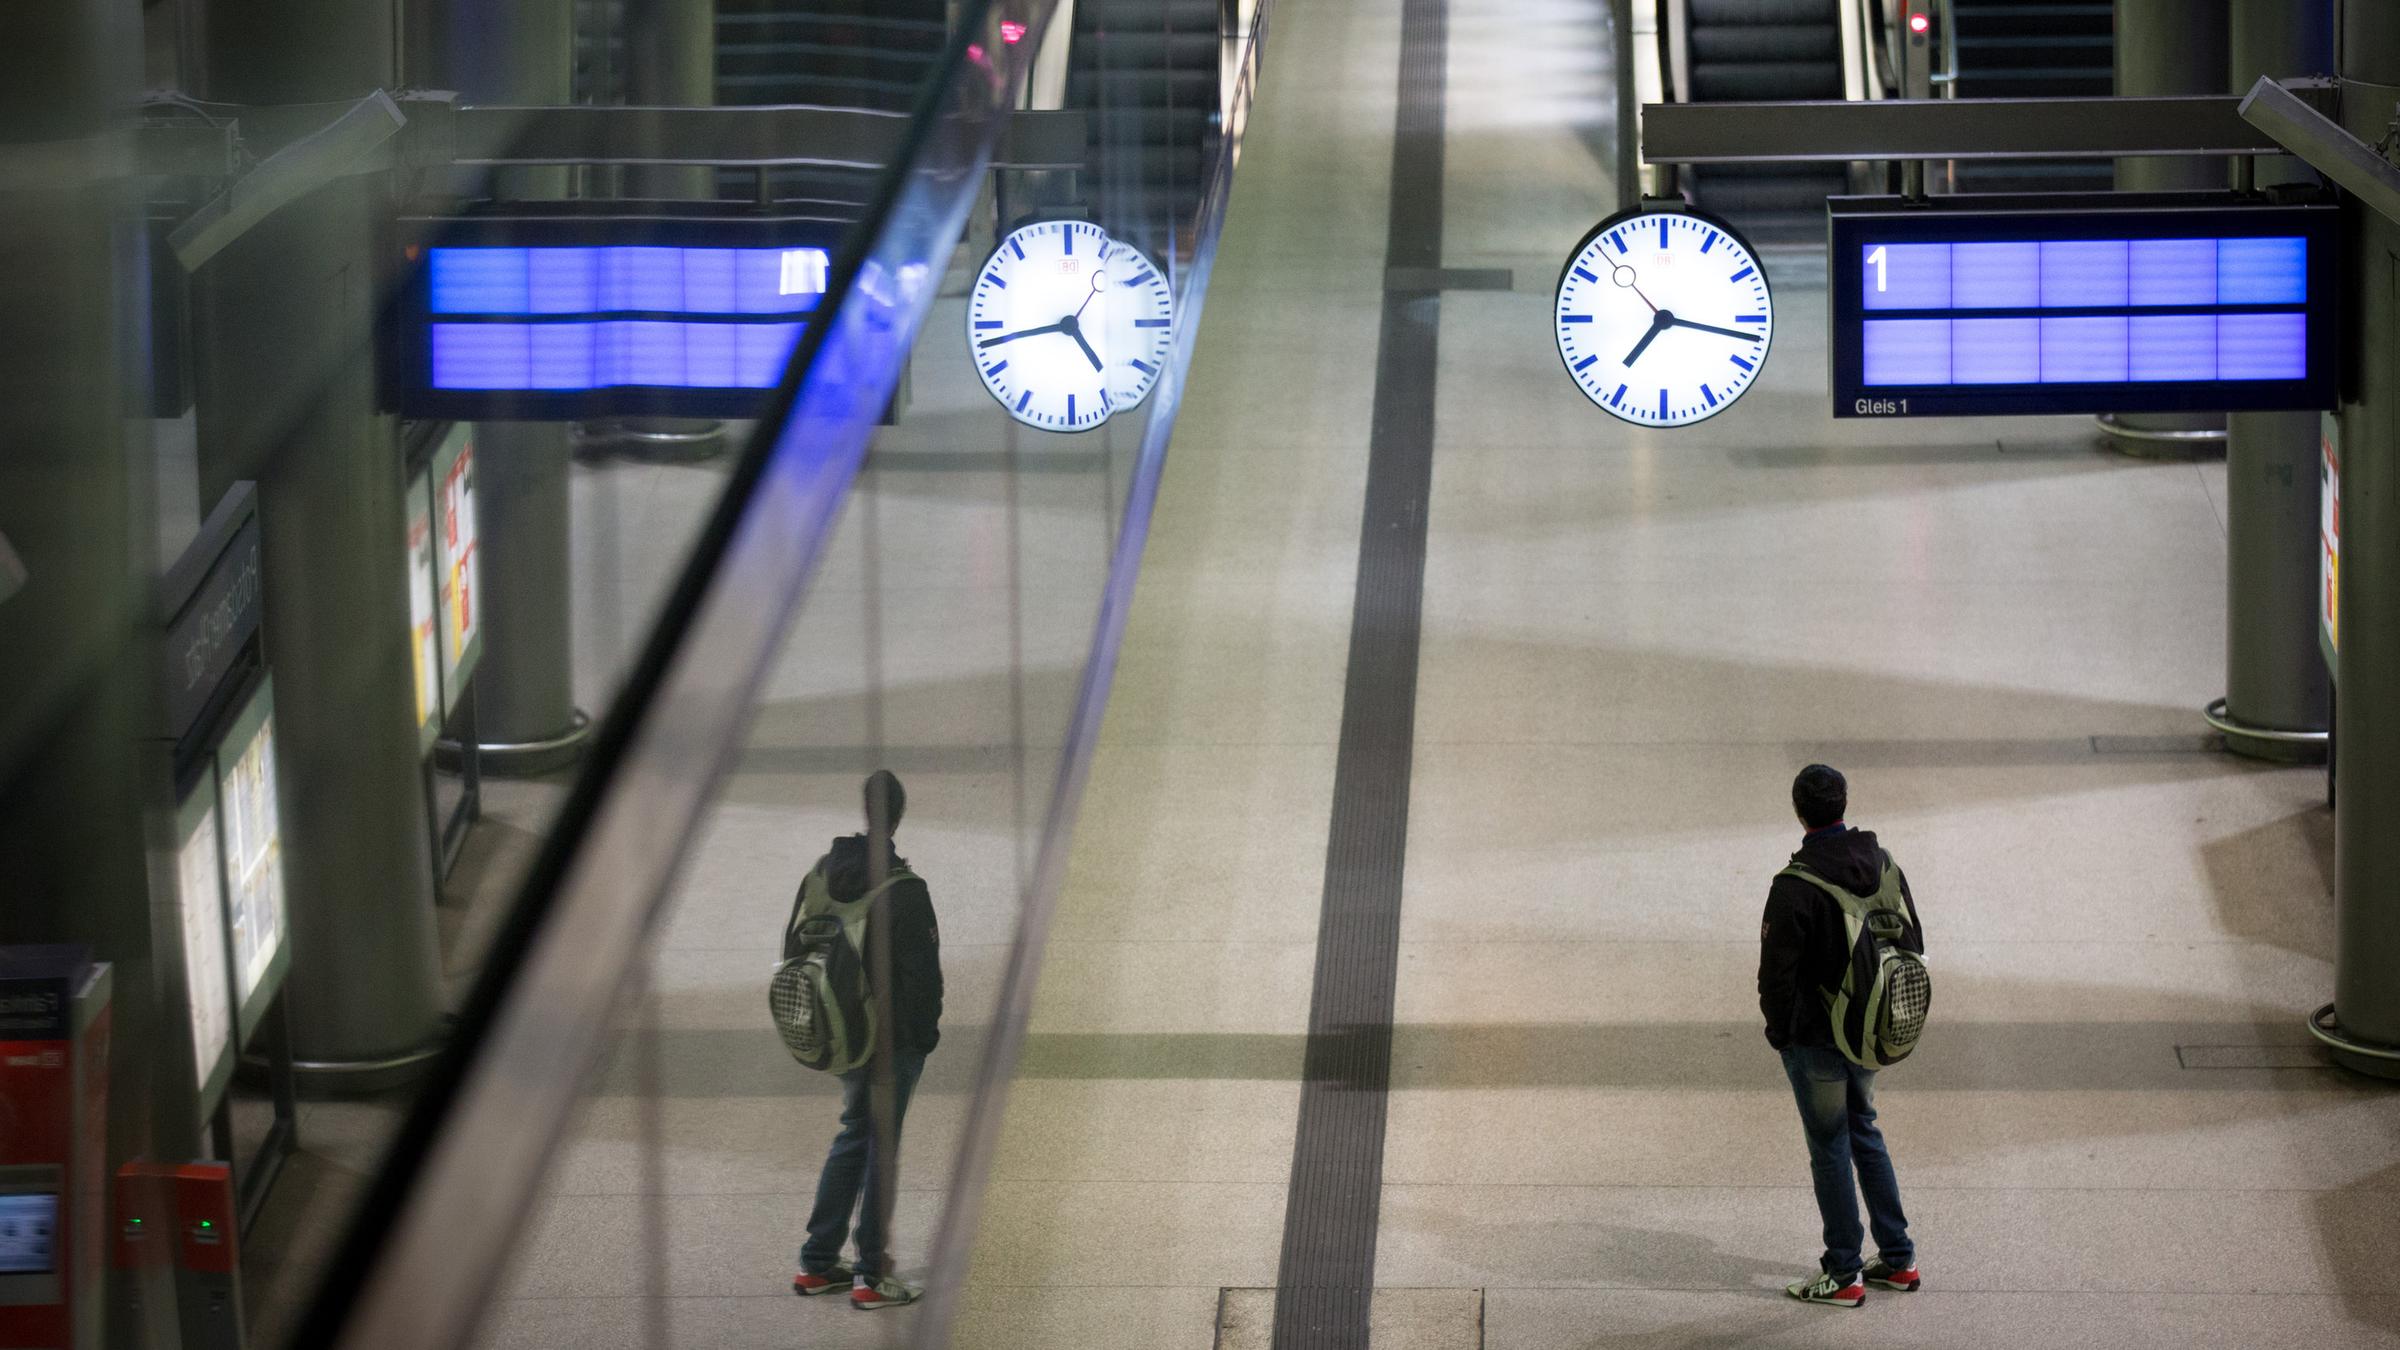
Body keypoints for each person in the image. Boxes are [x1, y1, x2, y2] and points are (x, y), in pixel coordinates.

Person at [1758, 764, 1923, 1308]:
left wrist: (1782, 1036)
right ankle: (1898, 1259)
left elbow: (1776, 979)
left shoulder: (1794, 885)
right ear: (1843, 804)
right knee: (1864, 1128)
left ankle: (1844, 1272)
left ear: (1798, 810)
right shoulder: (1883, 863)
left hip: (1817, 1040)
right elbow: (1914, 939)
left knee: (1829, 1145)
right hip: (1873, 1029)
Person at [791, 770, 944, 1311]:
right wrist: (923, 1041)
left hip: (838, 1033)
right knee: (882, 1148)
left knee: (855, 1132)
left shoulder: (822, 873)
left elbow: (794, 947)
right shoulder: (905, 891)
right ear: (899, 814)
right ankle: (871, 1275)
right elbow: (922, 982)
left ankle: (816, 1264)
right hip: (891, 1043)